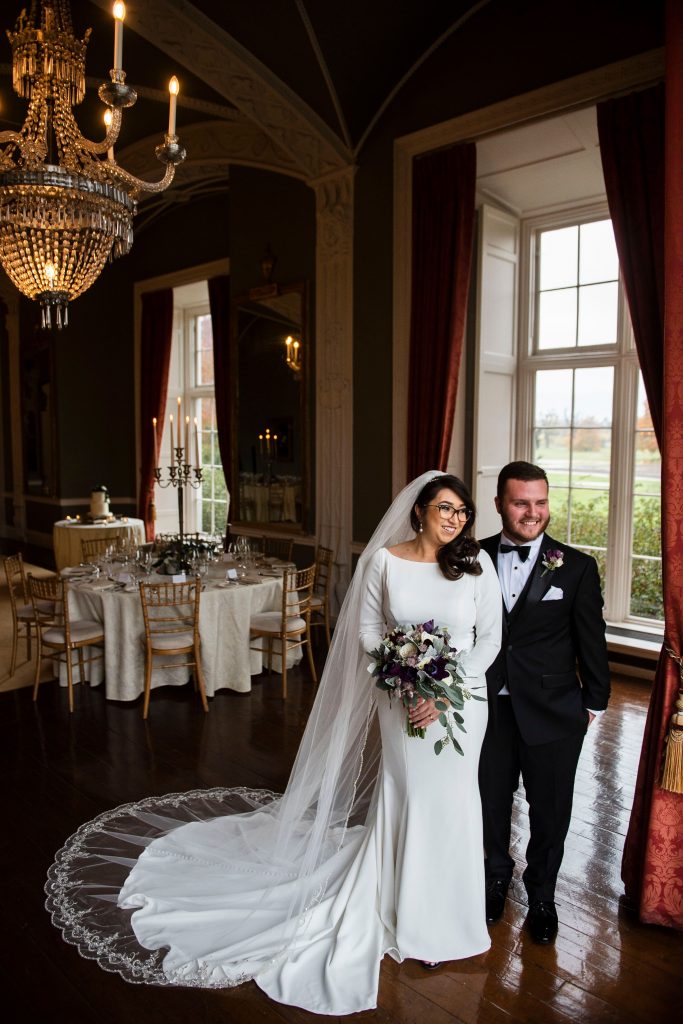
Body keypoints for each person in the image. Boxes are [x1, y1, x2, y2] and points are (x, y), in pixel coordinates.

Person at [45, 471, 501, 1016]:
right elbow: (368, 632)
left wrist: (445, 692)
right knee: (411, 800)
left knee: (455, 804)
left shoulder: (476, 566)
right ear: (420, 511)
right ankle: (404, 907)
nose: (454, 519)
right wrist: (404, 680)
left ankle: (450, 917)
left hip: (461, 705)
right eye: (445, 508)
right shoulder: (384, 561)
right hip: (400, 700)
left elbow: (489, 638)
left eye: (462, 512)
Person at [478, 461, 611, 945]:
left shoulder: (575, 566)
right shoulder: (472, 558)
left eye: (540, 502)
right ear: (499, 505)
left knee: (550, 809)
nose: (533, 513)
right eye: (520, 503)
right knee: (490, 801)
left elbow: (590, 638)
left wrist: (593, 702)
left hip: (556, 710)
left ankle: (542, 894)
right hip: (487, 707)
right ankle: (495, 879)